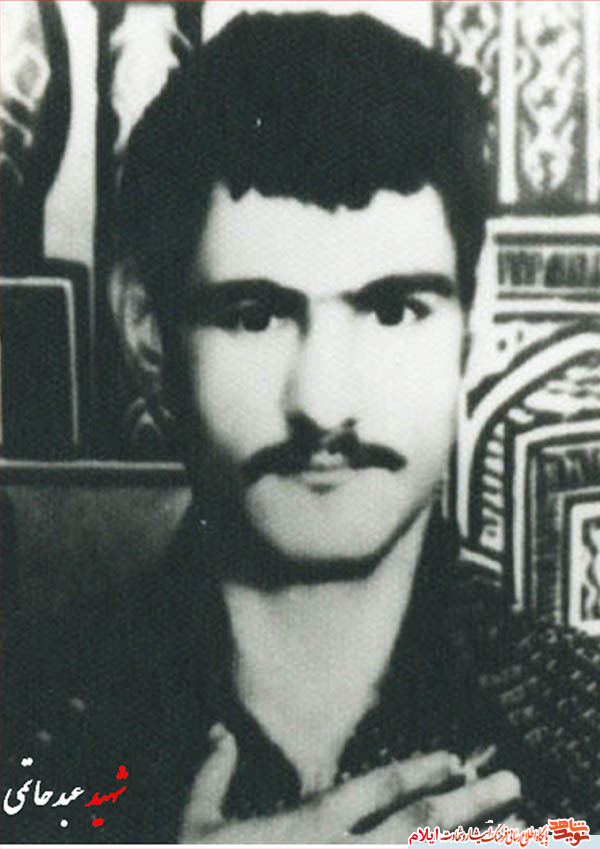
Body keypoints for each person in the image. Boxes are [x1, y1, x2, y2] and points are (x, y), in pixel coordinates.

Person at [3, 11, 600, 844]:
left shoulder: (585, 732)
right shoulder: (22, 727)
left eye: (394, 309)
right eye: (255, 315)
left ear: (478, 313)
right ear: (146, 332)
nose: (322, 403)